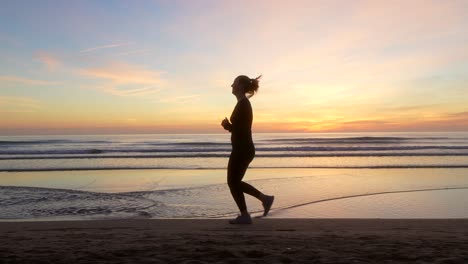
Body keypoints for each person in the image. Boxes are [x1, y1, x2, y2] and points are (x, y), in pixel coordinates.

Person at [221, 75, 274, 224]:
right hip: (242, 148)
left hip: (242, 149)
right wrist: (229, 127)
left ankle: (248, 213)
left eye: (234, 83)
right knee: (234, 182)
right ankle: (264, 200)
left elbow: (242, 130)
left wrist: (228, 126)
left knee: (233, 182)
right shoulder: (242, 104)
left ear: (241, 86)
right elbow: (240, 129)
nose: (231, 85)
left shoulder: (244, 104)